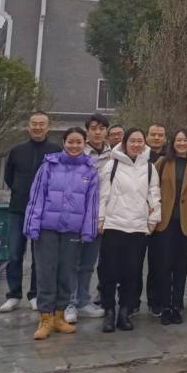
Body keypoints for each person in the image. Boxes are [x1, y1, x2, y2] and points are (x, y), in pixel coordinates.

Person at [23, 127, 99, 340]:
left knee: (67, 273)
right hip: (47, 228)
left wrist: (88, 230)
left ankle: (59, 316)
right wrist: (32, 224)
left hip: (72, 230)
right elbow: (36, 196)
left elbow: (92, 204)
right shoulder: (49, 165)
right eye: (70, 142)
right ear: (64, 143)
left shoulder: (90, 170)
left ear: (85, 143)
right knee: (46, 272)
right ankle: (45, 318)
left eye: (78, 142)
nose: (74, 146)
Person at [97, 128, 161, 333]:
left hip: (137, 228)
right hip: (113, 226)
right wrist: (100, 219)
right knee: (108, 271)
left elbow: (154, 195)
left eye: (139, 141)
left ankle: (125, 310)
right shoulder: (112, 165)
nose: (136, 144)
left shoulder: (149, 168)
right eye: (132, 141)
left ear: (144, 143)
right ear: (124, 143)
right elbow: (102, 195)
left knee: (132, 272)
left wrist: (154, 218)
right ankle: (109, 310)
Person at [0, 111, 61, 313]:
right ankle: (14, 295)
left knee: (39, 257)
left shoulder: (56, 151)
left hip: (44, 211)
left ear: (48, 127)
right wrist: (20, 191)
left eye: (42, 124)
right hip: (18, 209)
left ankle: (35, 294)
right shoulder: (17, 151)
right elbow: (9, 177)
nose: (37, 127)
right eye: (34, 123)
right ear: (28, 126)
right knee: (14, 254)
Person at [154, 128, 187, 325]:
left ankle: (177, 306)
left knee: (181, 266)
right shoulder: (162, 163)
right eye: (179, 140)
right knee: (164, 266)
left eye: (186, 141)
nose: (182, 144)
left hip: (186, 223)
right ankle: (164, 306)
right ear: (173, 142)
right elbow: (152, 190)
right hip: (164, 222)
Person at [67, 113, 112, 323]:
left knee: (87, 263)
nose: (97, 132)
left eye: (101, 128)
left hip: (99, 217)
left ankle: (84, 301)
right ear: (87, 131)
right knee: (72, 261)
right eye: (93, 128)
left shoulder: (114, 155)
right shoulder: (77, 152)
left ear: (106, 131)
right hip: (77, 215)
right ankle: (70, 302)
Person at [141, 123, 168, 316]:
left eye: (160, 135)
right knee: (134, 262)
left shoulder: (170, 158)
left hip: (162, 217)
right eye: (153, 134)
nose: (157, 138)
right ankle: (131, 301)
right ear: (147, 137)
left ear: (165, 138)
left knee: (158, 262)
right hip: (138, 215)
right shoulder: (139, 156)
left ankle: (155, 300)